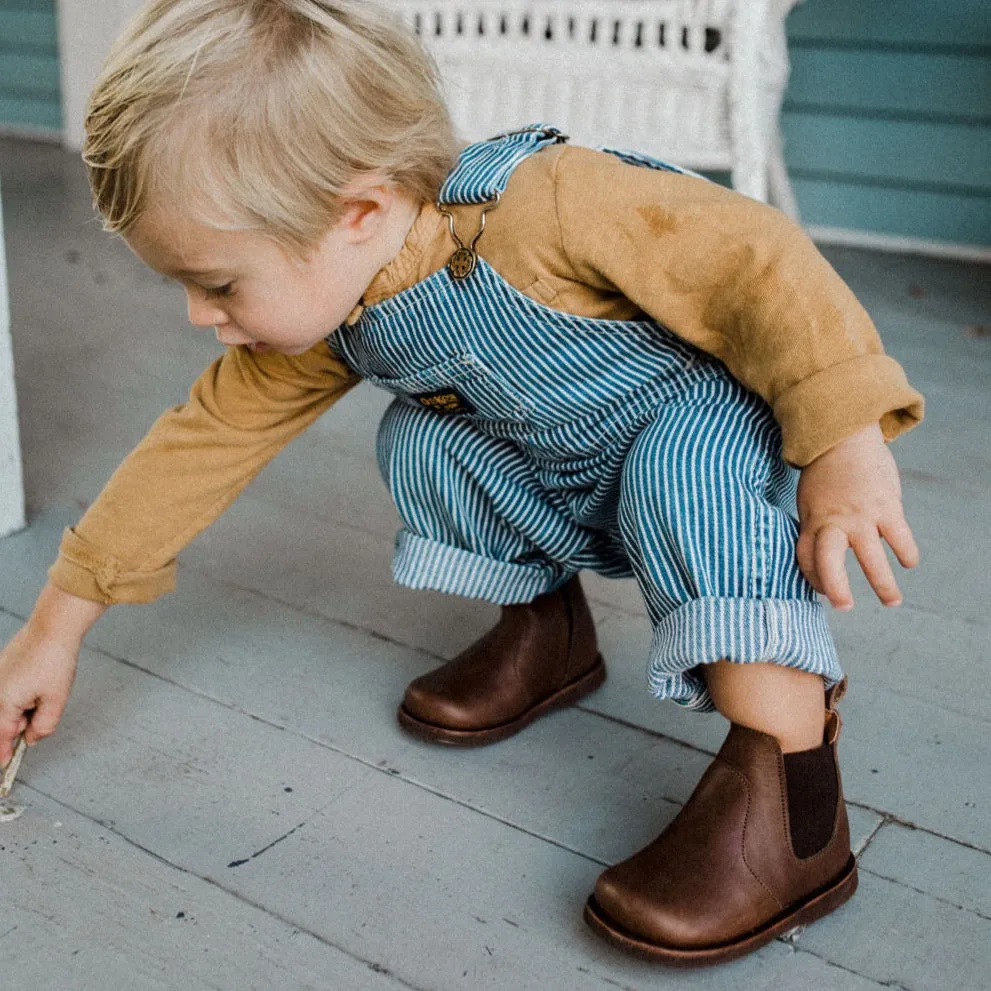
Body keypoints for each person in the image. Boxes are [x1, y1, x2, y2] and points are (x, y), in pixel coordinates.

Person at [0, 0, 923, 967]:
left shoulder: (543, 203)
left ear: (355, 211)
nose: (201, 314)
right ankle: (547, 635)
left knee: (681, 469)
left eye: (221, 283)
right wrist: (51, 628)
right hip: (559, 473)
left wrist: (842, 444)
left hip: (692, 447)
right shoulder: (341, 302)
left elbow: (757, 263)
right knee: (423, 441)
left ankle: (790, 795)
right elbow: (197, 444)